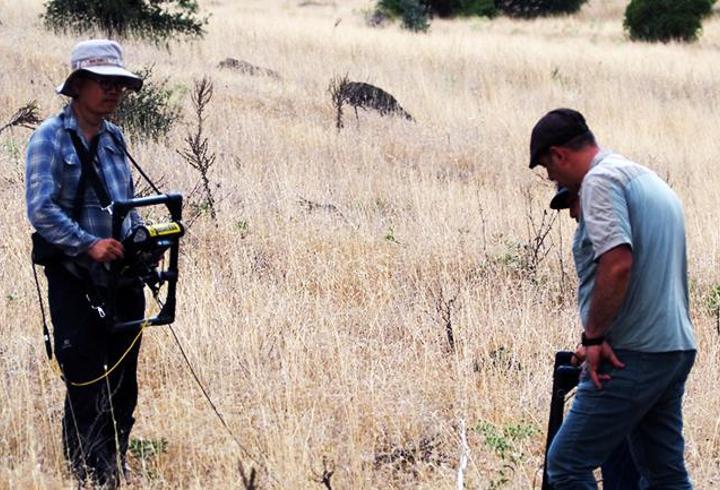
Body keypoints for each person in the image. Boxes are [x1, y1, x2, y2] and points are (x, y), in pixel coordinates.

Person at [529, 108, 696, 489]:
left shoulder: (600, 181)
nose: (552, 178)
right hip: (673, 348)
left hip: (633, 354)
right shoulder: (643, 178)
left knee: (567, 463)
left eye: (547, 168)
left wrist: (594, 339)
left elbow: (618, 264)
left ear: (559, 154)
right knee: (663, 473)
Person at [26, 39, 145, 487]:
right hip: (74, 277)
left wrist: (139, 239)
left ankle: (112, 464)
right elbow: (41, 210)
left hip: (121, 278)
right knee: (84, 376)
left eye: (119, 83)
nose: (113, 91)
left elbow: (125, 205)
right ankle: (85, 472)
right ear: (77, 86)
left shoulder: (116, 137)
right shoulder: (48, 139)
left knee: (124, 381)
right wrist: (88, 244)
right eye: (103, 82)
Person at [550, 185, 640, 490]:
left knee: (566, 463)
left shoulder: (616, 244)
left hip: (628, 368)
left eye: (574, 203)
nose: (573, 214)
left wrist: (593, 344)